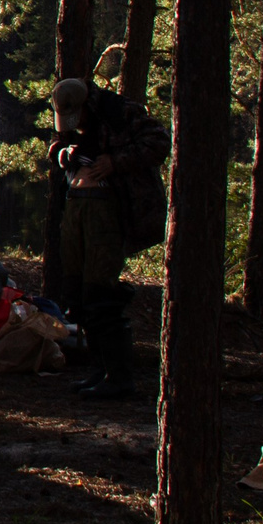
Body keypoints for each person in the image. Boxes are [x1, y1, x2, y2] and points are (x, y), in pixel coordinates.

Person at [47, 77, 169, 400]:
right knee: (78, 294)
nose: (76, 125)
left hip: (110, 210)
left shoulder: (121, 112)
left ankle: (119, 376)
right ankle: (99, 370)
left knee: (101, 292)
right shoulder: (68, 114)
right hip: (77, 207)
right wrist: (63, 153)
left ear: (87, 104)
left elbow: (160, 142)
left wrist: (115, 162)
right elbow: (55, 143)